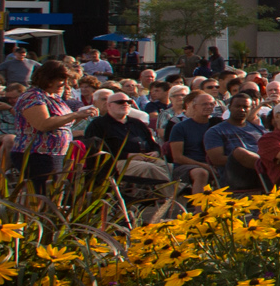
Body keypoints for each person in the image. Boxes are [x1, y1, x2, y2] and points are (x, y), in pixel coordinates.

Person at [14, 60, 97, 191]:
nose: (64, 84)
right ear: (47, 78)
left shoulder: (54, 97)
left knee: (56, 192)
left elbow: (62, 122)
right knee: (41, 194)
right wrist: (75, 115)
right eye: (60, 79)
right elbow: (43, 124)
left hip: (57, 153)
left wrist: (80, 116)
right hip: (37, 154)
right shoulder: (33, 97)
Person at [82, 92, 170, 183]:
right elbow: (94, 151)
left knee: (172, 168)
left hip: (147, 158)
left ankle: (179, 191)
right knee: (150, 169)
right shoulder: (98, 125)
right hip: (117, 163)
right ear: (109, 105)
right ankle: (177, 193)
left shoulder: (137, 123)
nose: (125, 104)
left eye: (128, 102)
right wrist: (127, 156)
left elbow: (152, 143)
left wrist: (156, 152)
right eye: (120, 102)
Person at [208, 92, 269, 193]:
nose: (242, 109)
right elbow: (216, 160)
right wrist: (244, 160)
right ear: (230, 107)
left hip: (260, 172)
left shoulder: (258, 129)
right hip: (235, 175)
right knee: (239, 152)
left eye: (246, 107)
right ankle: (270, 168)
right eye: (238, 106)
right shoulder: (215, 131)